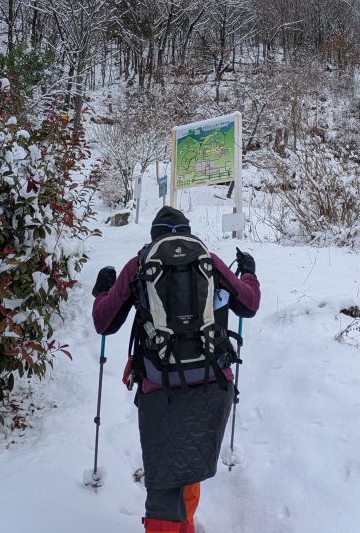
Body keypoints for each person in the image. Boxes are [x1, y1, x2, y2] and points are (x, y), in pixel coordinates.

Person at [92, 206, 261, 533]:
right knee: (189, 464)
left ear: (154, 235)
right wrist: (249, 272)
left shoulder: (140, 264)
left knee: (163, 485)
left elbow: (104, 323)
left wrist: (102, 290)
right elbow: (249, 304)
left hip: (163, 389)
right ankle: (186, 525)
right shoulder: (208, 260)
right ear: (186, 231)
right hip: (214, 383)